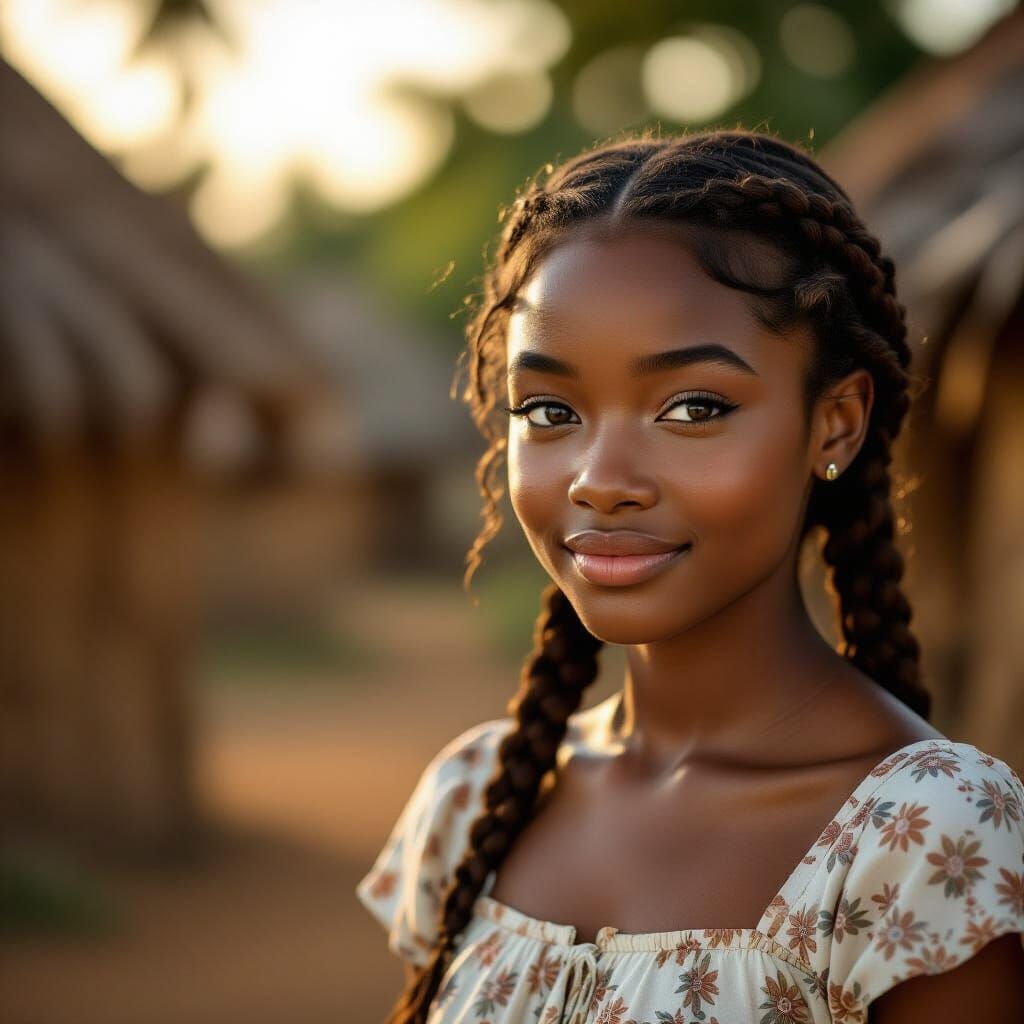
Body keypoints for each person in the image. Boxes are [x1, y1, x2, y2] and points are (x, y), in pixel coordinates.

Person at [356, 129, 1024, 1023]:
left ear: (834, 422)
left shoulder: (929, 839)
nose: (600, 477)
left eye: (693, 407)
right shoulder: (474, 799)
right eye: (549, 409)